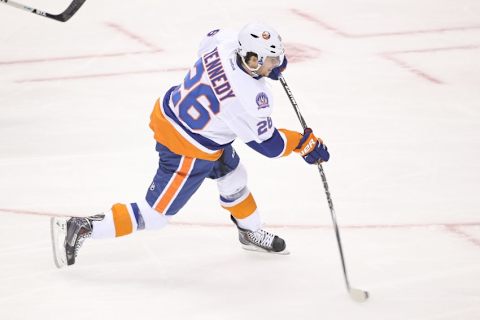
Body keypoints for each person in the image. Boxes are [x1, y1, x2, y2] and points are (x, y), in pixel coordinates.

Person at [50, 22, 330, 268]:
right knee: (155, 215)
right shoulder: (248, 98)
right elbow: (268, 145)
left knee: (234, 177)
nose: (276, 63)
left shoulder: (226, 42)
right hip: (187, 146)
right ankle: (83, 227)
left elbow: (206, 42)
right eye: (269, 60)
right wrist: (303, 143)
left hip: (176, 113)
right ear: (252, 59)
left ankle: (249, 231)